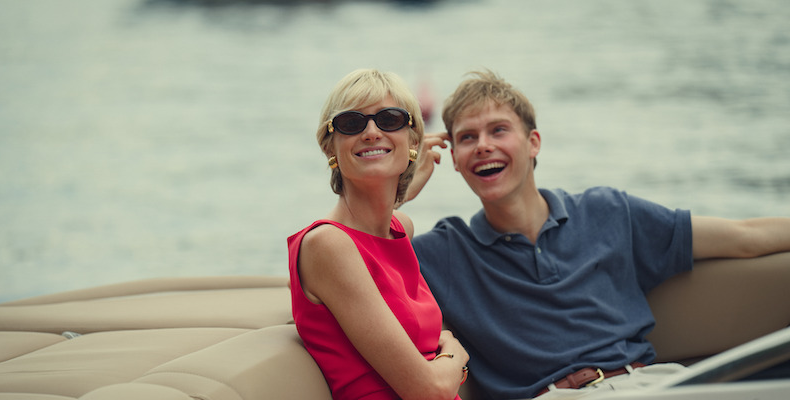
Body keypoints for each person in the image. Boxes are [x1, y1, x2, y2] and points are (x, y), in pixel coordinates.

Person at [407, 70, 790, 399]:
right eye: (468, 138)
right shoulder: (443, 252)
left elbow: (745, 237)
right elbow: (352, 261)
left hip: (650, 385)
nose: (484, 145)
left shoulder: (606, 211)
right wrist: (401, 188)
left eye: (499, 130)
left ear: (533, 142)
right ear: (453, 158)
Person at [288, 69, 469, 400]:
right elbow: (431, 391)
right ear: (330, 147)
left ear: (414, 140)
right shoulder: (327, 245)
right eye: (351, 123)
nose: (371, 132)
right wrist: (456, 353)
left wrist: (403, 183)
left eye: (390, 119)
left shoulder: (397, 230)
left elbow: (381, 221)